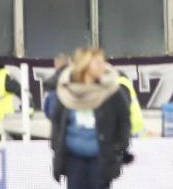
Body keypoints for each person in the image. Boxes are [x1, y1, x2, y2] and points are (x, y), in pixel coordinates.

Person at [50, 46, 132, 189]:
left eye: (102, 61)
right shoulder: (66, 90)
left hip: (101, 158)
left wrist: (119, 146)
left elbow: (124, 120)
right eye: (97, 62)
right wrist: (56, 145)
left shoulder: (112, 91)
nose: (103, 66)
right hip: (73, 160)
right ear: (85, 65)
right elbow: (57, 121)